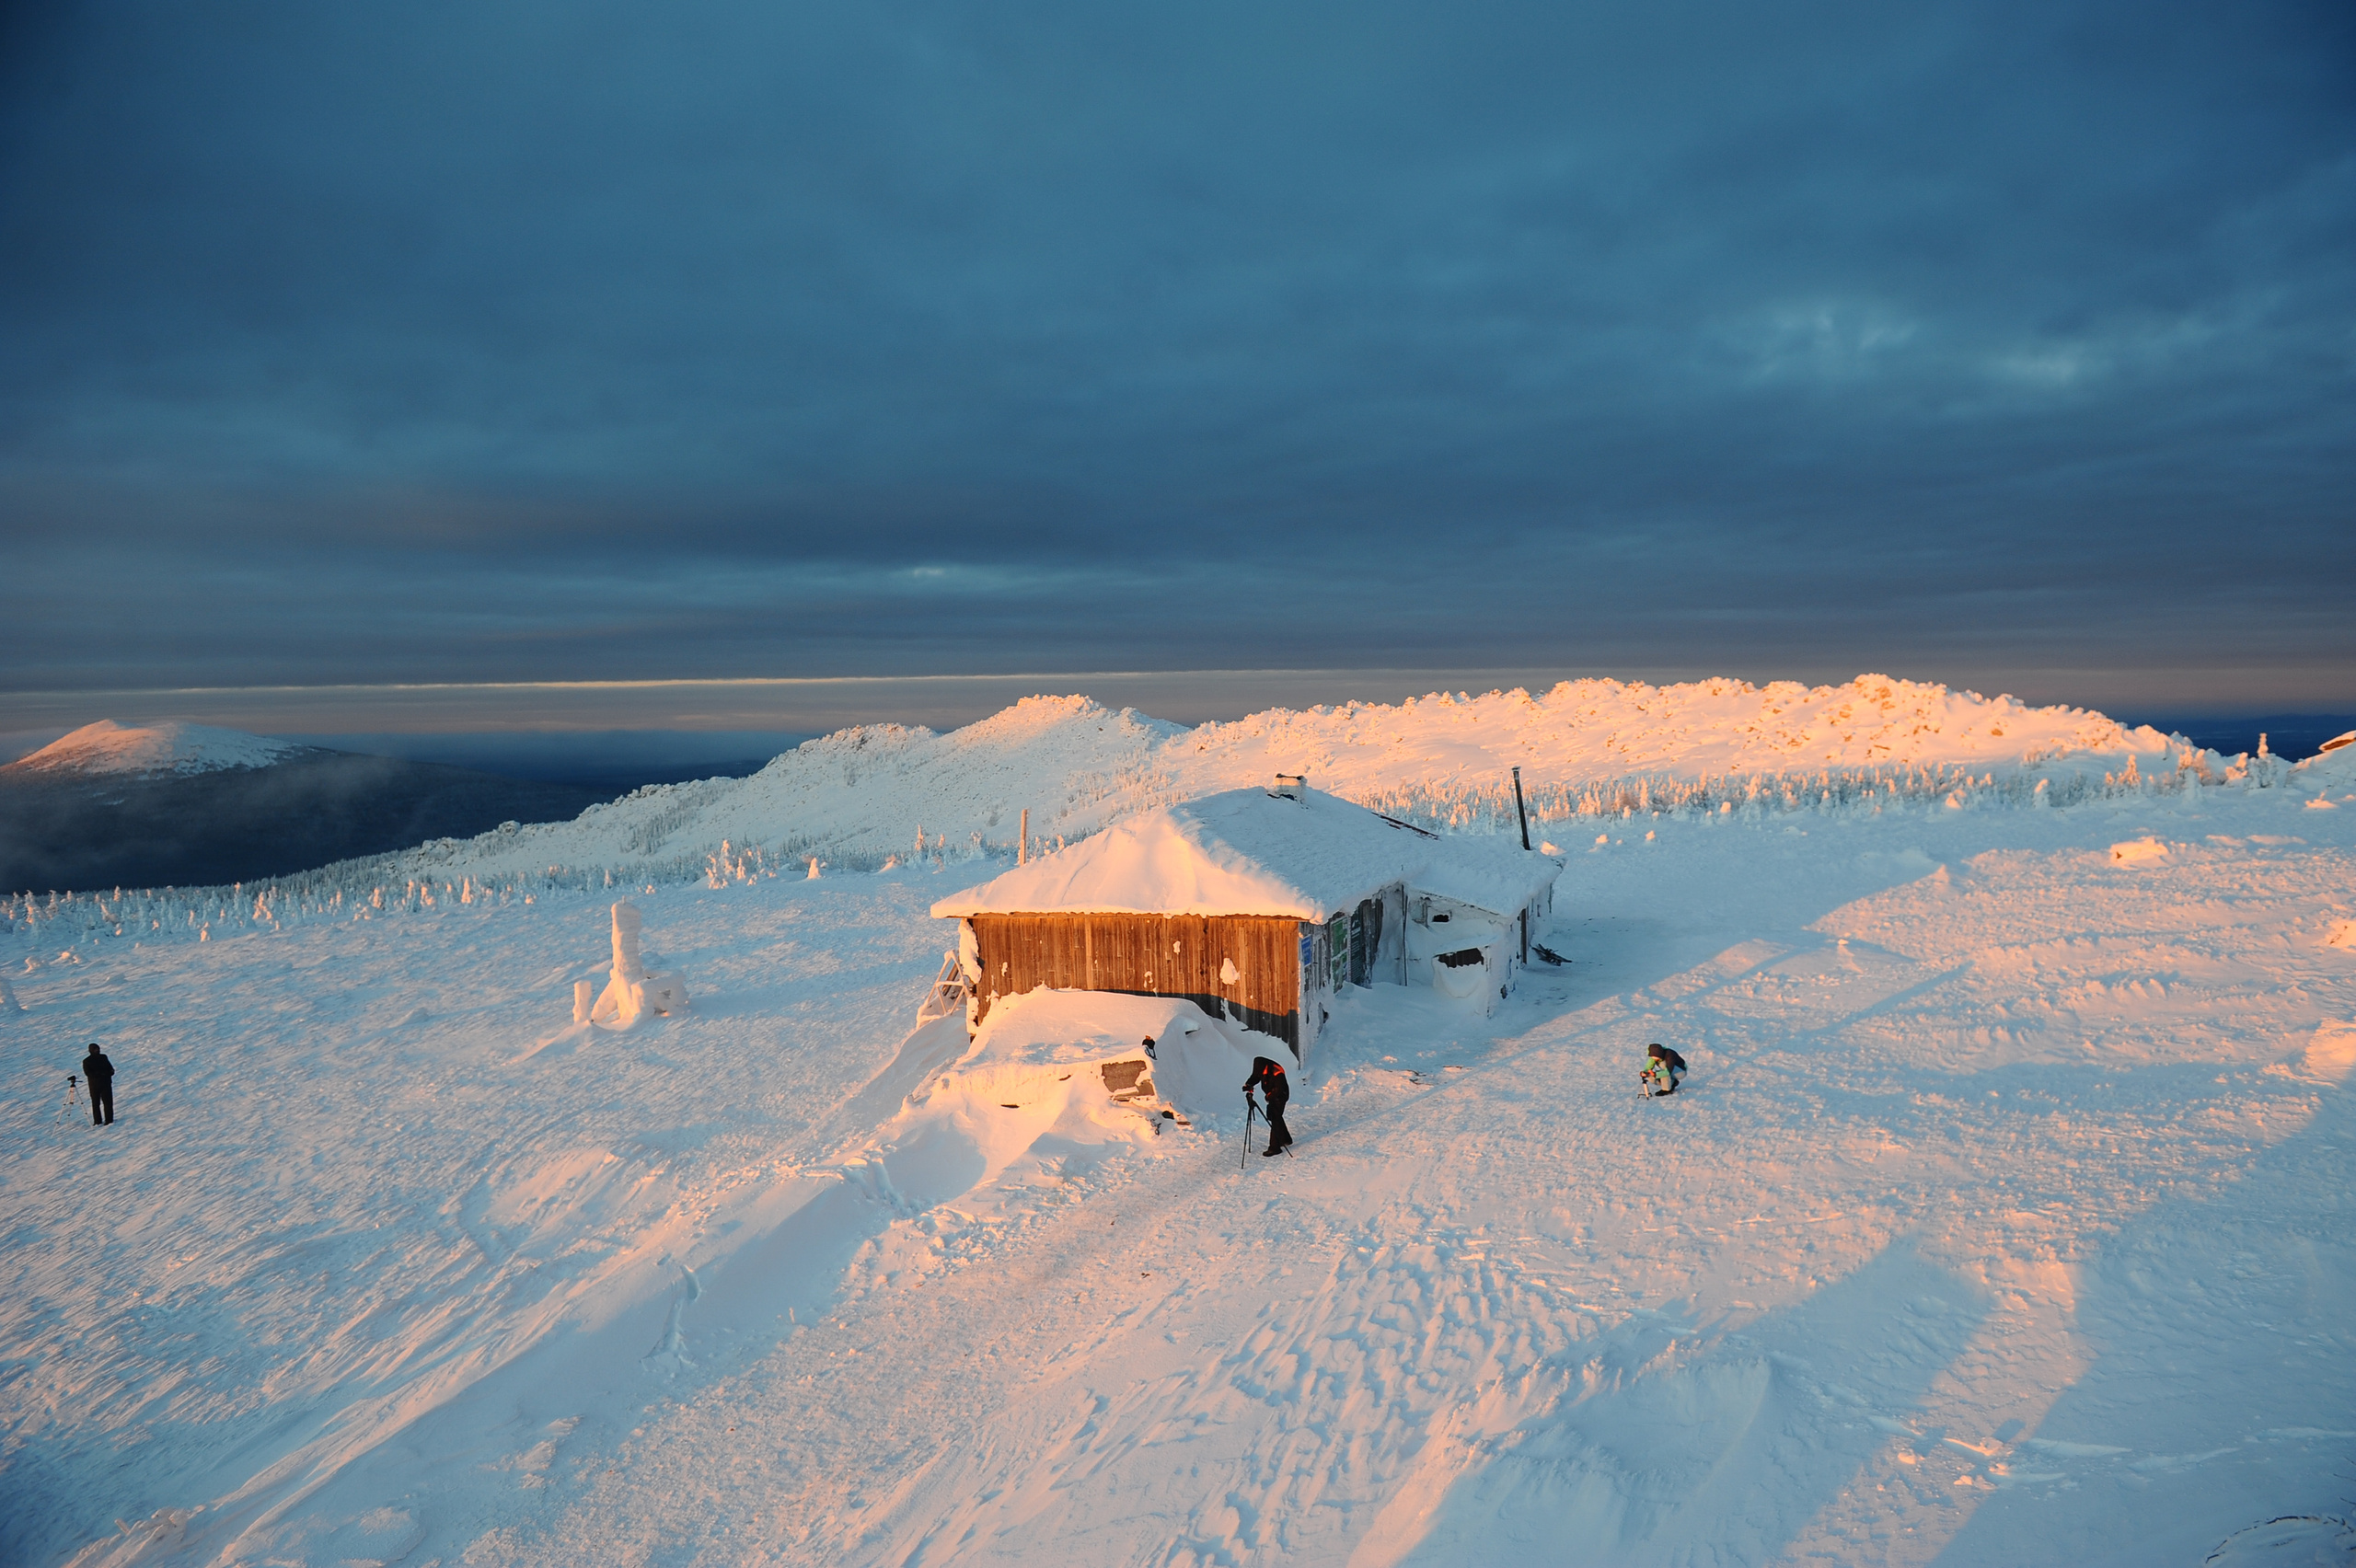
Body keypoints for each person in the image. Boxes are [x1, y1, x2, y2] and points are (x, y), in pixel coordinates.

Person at [1242, 1055, 1293, 1155]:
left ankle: (1275, 1148)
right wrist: (1248, 1084)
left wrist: (1269, 1096)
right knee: (1274, 1116)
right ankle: (1285, 1139)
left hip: (1280, 1095)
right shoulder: (1261, 1067)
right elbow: (1255, 1076)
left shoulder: (1276, 1071)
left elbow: (1280, 1088)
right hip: (1272, 1095)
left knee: (1275, 1117)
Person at [83, 1043, 115, 1125]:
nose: (97, 1050)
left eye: (97, 1048)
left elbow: (111, 1070)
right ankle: (97, 1121)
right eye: (95, 1049)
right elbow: (88, 1073)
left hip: (106, 1084)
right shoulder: (87, 1061)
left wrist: (107, 1073)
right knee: (96, 1104)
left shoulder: (104, 1057)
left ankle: (109, 1120)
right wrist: (102, 1074)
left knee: (108, 1103)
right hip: (94, 1086)